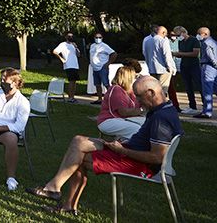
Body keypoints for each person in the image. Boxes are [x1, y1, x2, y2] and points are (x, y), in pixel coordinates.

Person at [26, 76, 183, 215]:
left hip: (142, 166)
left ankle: (59, 196)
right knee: (78, 141)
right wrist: (123, 146)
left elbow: (157, 157)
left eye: (139, 97)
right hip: (130, 151)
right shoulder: (163, 109)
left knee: (77, 158)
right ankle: (56, 190)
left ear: (151, 93)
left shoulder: (161, 118)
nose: (138, 102)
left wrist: (122, 150)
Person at [96, 66, 145, 140]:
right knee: (136, 129)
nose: (137, 79)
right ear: (128, 78)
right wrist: (142, 110)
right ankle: (129, 148)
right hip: (108, 121)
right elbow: (123, 112)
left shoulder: (130, 91)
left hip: (122, 119)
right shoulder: (116, 89)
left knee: (150, 123)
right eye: (135, 77)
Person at [172, 26, 201, 115]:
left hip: (194, 66)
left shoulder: (194, 40)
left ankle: (206, 106)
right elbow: (182, 53)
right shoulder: (181, 42)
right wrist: (177, 54)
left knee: (199, 85)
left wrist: (181, 53)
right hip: (184, 65)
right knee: (188, 87)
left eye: (178, 35)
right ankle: (192, 106)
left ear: (184, 32)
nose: (177, 37)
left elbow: (195, 53)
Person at [142, 25, 176, 98]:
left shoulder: (147, 41)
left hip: (152, 68)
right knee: (163, 90)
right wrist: (170, 67)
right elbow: (167, 55)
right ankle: (163, 107)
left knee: (154, 90)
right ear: (163, 32)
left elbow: (145, 53)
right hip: (163, 69)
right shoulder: (163, 41)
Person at [195, 27, 217, 119]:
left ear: (204, 34)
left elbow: (211, 56)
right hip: (213, 68)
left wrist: (215, 64)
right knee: (215, 88)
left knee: (207, 90)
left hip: (208, 67)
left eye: (199, 33)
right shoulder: (213, 42)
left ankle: (207, 112)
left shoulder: (206, 43)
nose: (198, 35)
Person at [88, 33, 116, 105]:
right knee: (97, 84)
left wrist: (108, 63)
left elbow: (114, 53)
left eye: (99, 37)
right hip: (94, 68)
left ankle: (112, 99)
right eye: (96, 37)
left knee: (106, 83)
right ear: (94, 38)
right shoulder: (92, 46)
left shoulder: (104, 46)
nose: (98, 39)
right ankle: (100, 99)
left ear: (102, 38)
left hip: (102, 67)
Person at [53, 32, 81, 103]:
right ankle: (70, 97)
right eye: (69, 36)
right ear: (66, 37)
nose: (70, 37)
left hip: (75, 65)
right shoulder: (63, 44)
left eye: (71, 36)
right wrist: (61, 58)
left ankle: (72, 97)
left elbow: (78, 55)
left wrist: (76, 47)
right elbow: (55, 51)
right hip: (69, 65)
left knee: (74, 81)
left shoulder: (73, 45)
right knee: (71, 81)